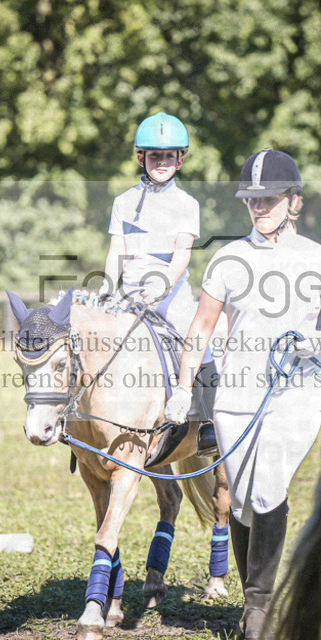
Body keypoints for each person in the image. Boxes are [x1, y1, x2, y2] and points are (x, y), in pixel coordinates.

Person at [163, 149, 321, 640]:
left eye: (269, 198)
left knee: (268, 486)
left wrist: (319, 337)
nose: (259, 207)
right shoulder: (229, 259)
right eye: (252, 200)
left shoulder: (315, 256)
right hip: (236, 393)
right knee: (244, 501)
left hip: (295, 394)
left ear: (293, 201)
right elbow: (201, 328)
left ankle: (258, 611)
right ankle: (258, 599)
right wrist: (183, 389)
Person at [99, 111, 217, 455]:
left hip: (171, 297)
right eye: (155, 156)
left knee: (201, 346)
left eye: (169, 156)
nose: (162, 162)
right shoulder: (122, 202)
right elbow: (116, 249)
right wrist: (107, 288)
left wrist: (163, 285)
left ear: (180, 159)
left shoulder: (186, 204)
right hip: (130, 295)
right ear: (141, 158)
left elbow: (182, 253)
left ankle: (208, 424)